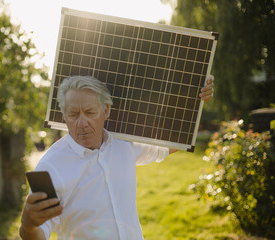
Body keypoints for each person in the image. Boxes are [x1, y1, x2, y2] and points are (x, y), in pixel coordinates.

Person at [20, 75, 214, 240]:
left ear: (106, 110)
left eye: (90, 112)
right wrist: (28, 225)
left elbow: (171, 146)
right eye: (73, 114)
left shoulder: (123, 144)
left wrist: (197, 103)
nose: (82, 123)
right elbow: (36, 234)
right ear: (63, 116)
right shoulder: (49, 167)